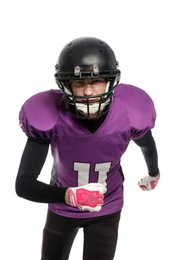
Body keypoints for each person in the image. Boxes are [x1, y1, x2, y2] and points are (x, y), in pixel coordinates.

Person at [16, 37, 160, 260]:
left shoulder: (129, 113)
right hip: (62, 208)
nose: (89, 92)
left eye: (97, 81)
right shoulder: (50, 117)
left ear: (111, 81)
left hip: (107, 207)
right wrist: (68, 196)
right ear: (66, 85)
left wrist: (153, 173)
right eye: (79, 83)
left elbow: (147, 144)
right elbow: (23, 184)